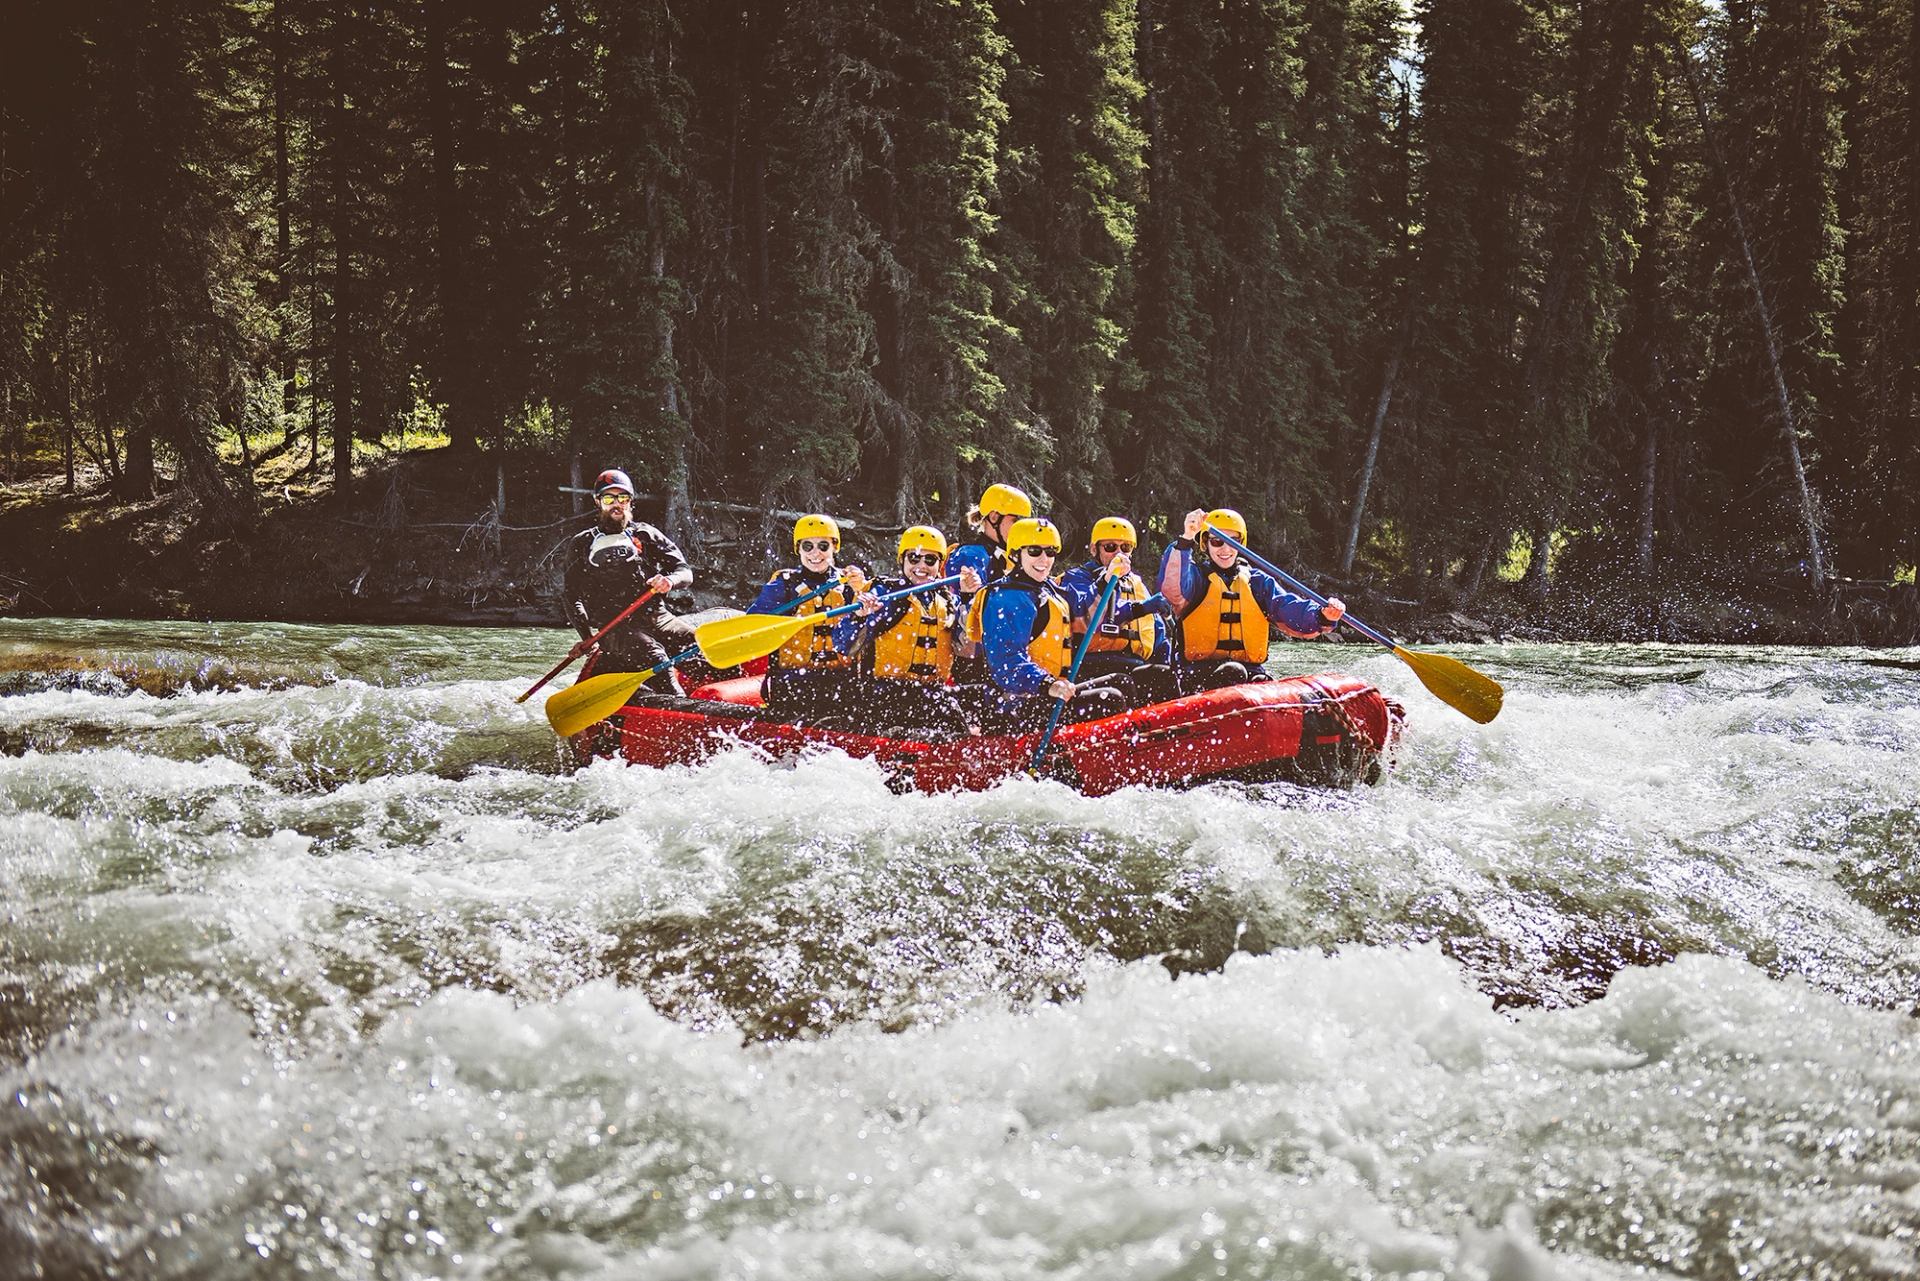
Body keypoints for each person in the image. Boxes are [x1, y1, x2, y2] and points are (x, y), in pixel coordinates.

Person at [969, 517, 1128, 735]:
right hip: (1014, 706)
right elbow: (1006, 663)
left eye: (1050, 552)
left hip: (1046, 694)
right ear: (1016, 554)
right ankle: (1084, 764)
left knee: (1122, 682)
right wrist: (1047, 684)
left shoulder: (1047, 589)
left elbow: (1084, 614)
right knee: (1109, 698)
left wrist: (1107, 579)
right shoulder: (1006, 598)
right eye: (1034, 551)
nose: (1044, 559)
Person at [1158, 507, 1345, 691]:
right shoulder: (1195, 579)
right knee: (1233, 671)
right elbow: (1173, 588)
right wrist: (1186, 538)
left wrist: (1322, 615)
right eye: (1217, 541)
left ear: (1242, 543)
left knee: (1249, 676)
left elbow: (1289, 609)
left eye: (1234, 541)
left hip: (1250, 674)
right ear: (1205, 543)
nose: (1225, 549)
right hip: (1197, 675)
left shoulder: (1257, 582)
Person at [833, 525, 983, 737]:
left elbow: (967, 650)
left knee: (958, 737)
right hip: (886, 695)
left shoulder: (950, 601)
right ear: (902, 560)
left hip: (933, 695)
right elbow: (844, 645)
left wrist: (968, 598)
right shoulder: (883, 591)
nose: (921, 566)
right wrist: (861, 616)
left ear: (939, 565)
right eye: (914, 558)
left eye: (930, 560)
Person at [561, 468, 697, 694]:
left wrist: (669, 581)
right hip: (614, 629)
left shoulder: (646, 534)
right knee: (656, 658)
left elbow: (684, 571)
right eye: (609, 498)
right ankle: (681, 709)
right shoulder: (581, 544)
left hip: (658, 618)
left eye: (622, 498)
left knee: (696, 646)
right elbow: (570, 595)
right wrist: (587, 638)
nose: (617, 504)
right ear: (598, 502)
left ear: (630, 502)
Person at [747, 513, 867, 720]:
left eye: (823, 546)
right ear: (798, 549)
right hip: (793, 682)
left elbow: (868, 632)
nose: (815, 554)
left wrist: (862, 593)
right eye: (807, 546)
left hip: (840, 682)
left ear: (834, 548)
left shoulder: (850, 584)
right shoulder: (783, 585)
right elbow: (753, 625)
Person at [1059, 516, 1178, 705]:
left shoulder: (1136, 584)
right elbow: (1084, 615)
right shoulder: (1076, 579)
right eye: (1110, 547)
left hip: (1132, 663)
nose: (1118, 554)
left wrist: (1168, 662)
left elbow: (1158, 637)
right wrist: (1109, 581)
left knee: (1163, 675)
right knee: (1123, 682)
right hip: (1089, 665)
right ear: (1093, 549)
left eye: (1125, 548)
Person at [947, 483, 1032, 685]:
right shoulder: (971, 555)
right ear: (994, 518)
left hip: (1004, 656)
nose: (1021, 529)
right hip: (975, 661)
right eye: (1016, 521)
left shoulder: (1014, 558)